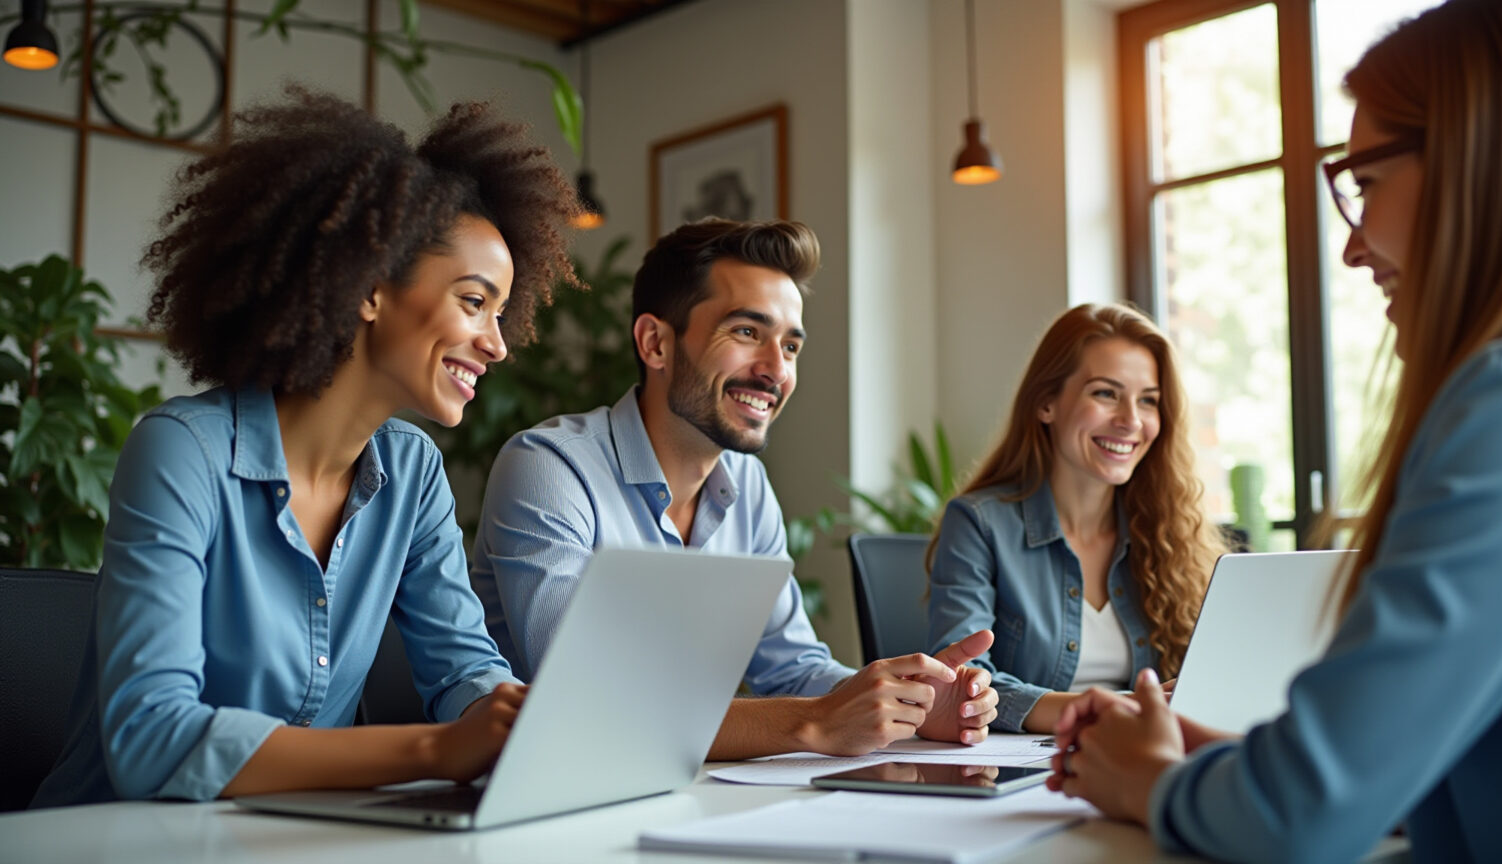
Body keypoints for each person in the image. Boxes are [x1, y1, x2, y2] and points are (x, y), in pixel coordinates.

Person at [1046, 2, 1502, 860]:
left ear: (1473, 163)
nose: (1351, 247)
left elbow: (1297, 819)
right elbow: (1438, 772)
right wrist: (1223, 764)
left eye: (1365, 184)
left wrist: (1152, 782)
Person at [31, 86, 580, 807]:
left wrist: (507, 717)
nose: (498, 345)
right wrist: (434, 750)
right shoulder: (182, 453)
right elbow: (149, 739)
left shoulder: (413, 472)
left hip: (292, 838)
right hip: (113, 837)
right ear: (371, 288)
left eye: (502, 314)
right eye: (475, 303)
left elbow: (461, 669)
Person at [470, 218, 998, 760]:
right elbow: (589, 696)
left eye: (790, 346)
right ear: (655, 343)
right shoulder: (550, 468)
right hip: (547, 790)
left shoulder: (747, 485)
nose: (777, 370)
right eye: (747, 332)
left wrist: (912, 704)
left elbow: (794, 668)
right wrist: (814, 722)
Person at [926, 303, 1224, 734]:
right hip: (1030, 763)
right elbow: (961, 684)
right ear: (1046, 403)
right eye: (1106, 394)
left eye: (1148, 401)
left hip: (1147, 752)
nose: (1131, 420)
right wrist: (1117, 707)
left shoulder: (1168, 531)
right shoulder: (979, 524)